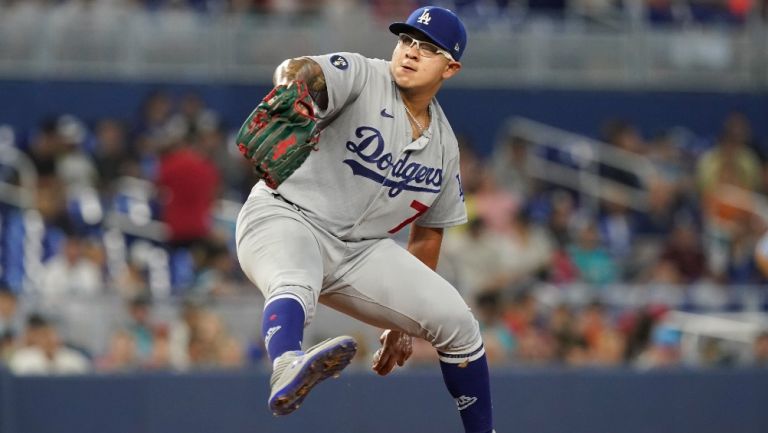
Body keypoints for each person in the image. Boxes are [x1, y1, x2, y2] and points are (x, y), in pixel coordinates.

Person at [235, 6, 495, 432]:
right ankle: (286, 365)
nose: (410, 53)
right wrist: (290, 90)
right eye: (406, 40)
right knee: (295, 280)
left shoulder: (445, 146)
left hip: (359, 252)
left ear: (450, 68)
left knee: (457, 321)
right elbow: (300, 69)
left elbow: (428, 232)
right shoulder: (362, 75)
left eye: (427, 48)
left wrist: (401, 322)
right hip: (285, 215)